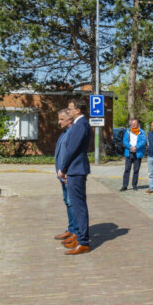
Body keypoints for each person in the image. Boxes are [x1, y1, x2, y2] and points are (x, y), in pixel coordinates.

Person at [58, 100, 92, 255]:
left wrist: (63, 168)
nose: (68, 111)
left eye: (70, 109)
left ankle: (83, 241)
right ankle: (79, 237)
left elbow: (72, 149)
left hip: (76, 169)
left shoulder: (80, 125)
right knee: (78, 206)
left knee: (79, 207)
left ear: (78, 110)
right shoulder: (80, 124)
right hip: (75, 169)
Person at [53, 109, 80, 244]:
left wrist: (67, 172)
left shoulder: (72, 134)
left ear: (70, 120)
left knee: (72, 202)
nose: (59, 122)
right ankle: (71, 229)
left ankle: (75, 232)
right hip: (63, 175)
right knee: (67, 201)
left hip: (69, 174)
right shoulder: (64, 133)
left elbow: (72, 155)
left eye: (62, 119)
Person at [120, 118, 146, 191]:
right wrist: (130, 147)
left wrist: (136, 147)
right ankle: (125, 185)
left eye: (135, 123)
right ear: (131, 124)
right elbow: (124, 141)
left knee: (136, 170)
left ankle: (134, 185)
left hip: (137, 153)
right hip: (129, 152)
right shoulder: (128, 131)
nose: (134, 125)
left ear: (137, 124)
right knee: (127, 169)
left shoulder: (142, 132)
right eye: (132, 123)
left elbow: (143, 141)